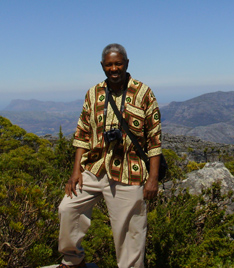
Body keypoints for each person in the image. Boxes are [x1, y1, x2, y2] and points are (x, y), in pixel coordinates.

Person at [57, 43, 162, 268]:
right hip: (94, 168)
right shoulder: (93, 93)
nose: (114, 68)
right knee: (67, 208)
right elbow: (82, 133)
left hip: (129, 172)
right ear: (102, 66)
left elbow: (154, 139)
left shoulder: (143, 93)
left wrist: (152, 179)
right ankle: (73, 259)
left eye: (118, 63)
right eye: (109, 65)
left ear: (126, 63)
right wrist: (75, 171)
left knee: (130, 232)